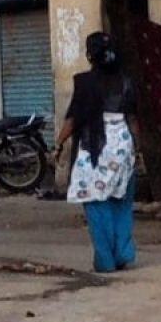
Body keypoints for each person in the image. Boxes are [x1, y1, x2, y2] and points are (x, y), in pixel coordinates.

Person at [56, 31, 139, 274]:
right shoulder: (127, 81)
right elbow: (133, 119)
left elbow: (72, 120)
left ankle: (105, 260)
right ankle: (123, 253)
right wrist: (137, 148)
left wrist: (59, 144)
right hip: (123, 148)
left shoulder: (84, 82)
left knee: (94, 201)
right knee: (121, 200)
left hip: (95, 147)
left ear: (89, 56)